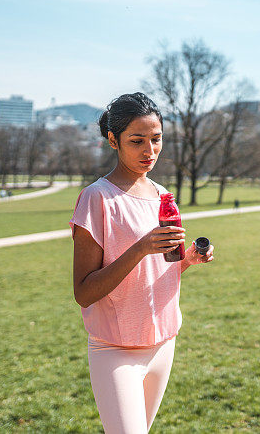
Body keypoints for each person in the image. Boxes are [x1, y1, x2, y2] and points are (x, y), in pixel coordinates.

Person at [70, 92, 214, 433]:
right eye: (137, 141)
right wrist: (139, 249)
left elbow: (155, 272)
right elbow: (84, 292)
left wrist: (189, 260)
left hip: (163, 342)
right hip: (115, 350)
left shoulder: (162, 195)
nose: (149, 151)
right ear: (113, 140)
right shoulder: (97, 198)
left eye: (156, 139)